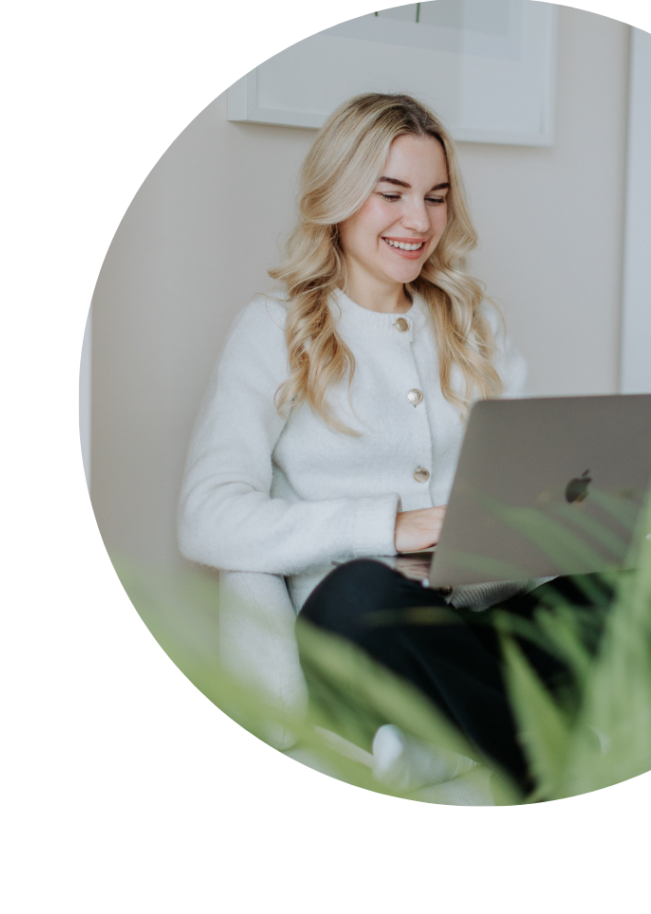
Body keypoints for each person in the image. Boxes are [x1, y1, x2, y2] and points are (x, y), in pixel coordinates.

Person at [177, 92, 589, 799]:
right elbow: (206, 516)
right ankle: (546, 750)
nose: (418, 222)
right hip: (365, 636)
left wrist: (600, 525)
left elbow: (529, 480)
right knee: (359, 589)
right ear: (337, 195)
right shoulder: (274, 329)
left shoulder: (475, 323)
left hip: (478, 622)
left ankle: (445, 741)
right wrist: (389, 526)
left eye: (436, 197)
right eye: (391, 194)